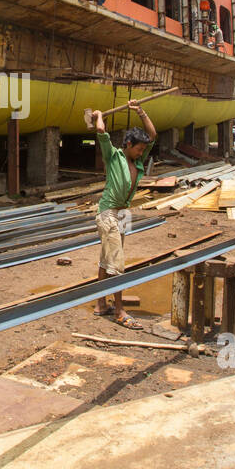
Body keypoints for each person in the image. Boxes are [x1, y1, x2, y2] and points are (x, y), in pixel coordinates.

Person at [91, 101, 157, 329]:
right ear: (128, 144)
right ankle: (119, 311)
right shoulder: (114, 156)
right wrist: (99, 114)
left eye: (142, 150)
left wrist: (140, 111)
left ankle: (101, 304)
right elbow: (101, 131)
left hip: (123, 214)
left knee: (106, 259)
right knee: (117, 263)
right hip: (108, 213)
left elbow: (152, 134)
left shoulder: (136, 160)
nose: (141, 153)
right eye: (138, 148)